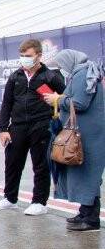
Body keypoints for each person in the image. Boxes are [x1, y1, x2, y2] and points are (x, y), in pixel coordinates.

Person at [0, 39, 66, 215]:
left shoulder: (50, 76)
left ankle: (39, 202)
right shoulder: (15, 77)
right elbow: (7, 103)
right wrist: (3, 128)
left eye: (28, 56)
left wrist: (56, 99)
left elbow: (66, 97)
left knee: (40, 164)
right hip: (17, 127)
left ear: (39, 56)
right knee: (12, 163)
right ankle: (10, 198)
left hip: (41, 125)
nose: (24, 59)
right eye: (22, 56)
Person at [41, 49, 103, 231]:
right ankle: (85, 212)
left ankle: (91, 219)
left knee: (88, 175)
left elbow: (80, 103)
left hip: (88, 135)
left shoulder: (82, 75)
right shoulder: (83, 73)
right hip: (87, 133)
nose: (61, 70)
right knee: (84, 174)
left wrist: (57, 99)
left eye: (62, 66)